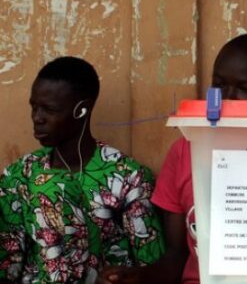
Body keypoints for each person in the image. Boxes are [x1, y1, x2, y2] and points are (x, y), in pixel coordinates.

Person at [98, 33, 247, 284]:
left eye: (245, 89)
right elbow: (177, 256)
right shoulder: (187, 151)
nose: (227, 98)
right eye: (218, 85)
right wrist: (140, 277)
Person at [0, 56, 164, 283]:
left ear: (81, 110)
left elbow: (151, 264)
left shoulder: (128, 177)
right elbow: (9, 260)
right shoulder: (20, 174)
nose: (37, 118)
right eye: (34, 107)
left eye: (49, 109)